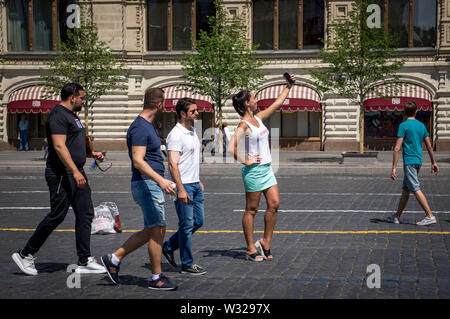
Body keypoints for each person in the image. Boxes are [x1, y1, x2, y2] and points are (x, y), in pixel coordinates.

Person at [12, 83, 106, 276]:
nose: (83, 101)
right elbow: (59, 147)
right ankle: (25, 253)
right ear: (72, 97)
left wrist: (91, 153)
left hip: (74, 171)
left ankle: (84, 260)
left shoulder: (72, 116)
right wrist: (75, 171)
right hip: (62, 174)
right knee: (57, 215)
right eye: (82, 98)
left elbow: (73, 143)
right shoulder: (57, 116)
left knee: (85, 213)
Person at [101, 87, 178, 291]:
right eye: (164, 103)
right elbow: (137, 160)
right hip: (147, 184)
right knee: (157, 229)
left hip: (150, 184)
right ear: (159, 104)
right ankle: (156, 278)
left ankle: (114, 259)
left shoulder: (149, 126)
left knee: (152, 229)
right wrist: (161, 180)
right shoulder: (140, 127)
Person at [229, 74, 295, 261]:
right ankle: (250, 248)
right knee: (252, 209)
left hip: (266, 169)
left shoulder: (258, 118)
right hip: (254, 171)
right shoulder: (244, 124)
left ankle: (266, 242)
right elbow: (230, 146)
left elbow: (276, 104)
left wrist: (288, 86)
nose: (257, 100)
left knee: (274, 205)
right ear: (247, 104)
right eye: (254, 98)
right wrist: (245, 160)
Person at [162, 98, 206, 276]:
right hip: (184, 185)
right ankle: (187, 264)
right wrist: (180, 189)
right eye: (193, 111)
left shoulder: (192, 130)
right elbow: (173, 164)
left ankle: (169, 246)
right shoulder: (176, 134)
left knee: (198, 221)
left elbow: (190, 159)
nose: (197, 113)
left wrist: (198, 179)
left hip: (194, 183)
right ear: (182, 113)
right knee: (187, 224)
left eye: (196, 110)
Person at [389, 101, 439, 226]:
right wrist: (434, 162)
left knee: (415, 188)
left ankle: (429, 215)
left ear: (404, 112)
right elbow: (429, 146)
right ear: (416, 111)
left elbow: (397, 148)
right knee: (406, 189)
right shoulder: (422, 126)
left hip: (409, 161)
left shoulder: (403, 125)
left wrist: (394, 168)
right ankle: (397, 216)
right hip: (418, 160)